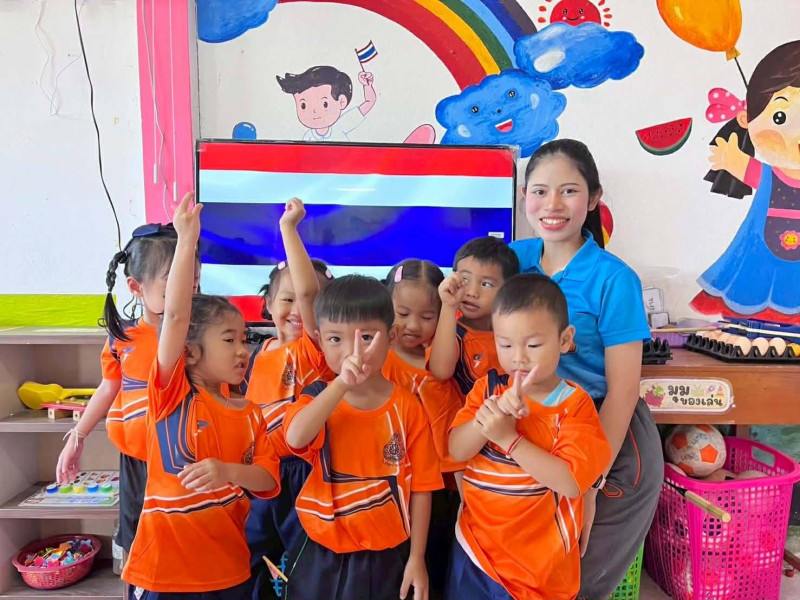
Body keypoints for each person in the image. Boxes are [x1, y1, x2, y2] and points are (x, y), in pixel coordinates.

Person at [509, 139, 662, 599]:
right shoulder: (511, 261)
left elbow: (623, 390)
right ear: (525, 196)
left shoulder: (614, 279)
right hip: (532, 426)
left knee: (573, 578)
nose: (552, 205)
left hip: (604, 432)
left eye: (569, 191)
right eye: (540, 191)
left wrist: (590, 482)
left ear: (593, 198)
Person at [122, 193, 280, 599]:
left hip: (229, 572)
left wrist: (228, 471)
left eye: (245, 339)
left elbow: (266, 478)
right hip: (165, 575)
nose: (243, 350)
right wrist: (186, 241)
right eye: (229, 339)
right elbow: (175, 317)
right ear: (189, 352)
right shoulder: (172, 395)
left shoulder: (251, 413)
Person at [447, 274, 610, 600]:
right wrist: (490, 418)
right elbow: (456, 450)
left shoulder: (574, 406)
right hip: (476, 551)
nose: (518, 357)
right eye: (505, 344)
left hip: (538, 570)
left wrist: (509, 440)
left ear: (565, 339)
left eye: (533, 345)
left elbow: (570, 482)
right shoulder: (487, 390)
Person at [283, 275, 443, 600]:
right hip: (320, 549)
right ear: (319, 340)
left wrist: (417, 557)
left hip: (387, 554)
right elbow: (296, 438)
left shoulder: (408, 407)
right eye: (335, 339)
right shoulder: (317, 397)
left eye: (366, 337)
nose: (351, 351)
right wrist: (341, 385)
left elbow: (422, 488)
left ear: (392, 336)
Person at [56, 223, 196, 567]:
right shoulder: (124, 339)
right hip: (138, 460)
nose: (187, 292)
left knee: (187, 538)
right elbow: (109, 387)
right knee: (140, 539)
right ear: (136, 287)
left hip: (188, 458)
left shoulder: (200, 335)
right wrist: (78, 435)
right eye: (174, 283)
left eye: (193, 283)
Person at [244, 198, 334, 597]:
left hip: (304, 475)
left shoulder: (314, 350)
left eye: (307, 301)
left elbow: (309, 294)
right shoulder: (253, 355)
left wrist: (289, 228)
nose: (298, 309)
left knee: (301, 566)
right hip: (260, 475)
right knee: (254, 560)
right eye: (286, 299)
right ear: (267, 303)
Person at [694, 40, 800, 324]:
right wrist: (730, 158)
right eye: (781, 117)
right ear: (747, 120)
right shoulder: (766, 174)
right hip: (759, 260)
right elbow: (741, 166)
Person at [382, 259, 466, 597]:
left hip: (443, 487)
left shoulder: (441, 355)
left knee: (437, 569)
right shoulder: (380, 357)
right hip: (396, 485)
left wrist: (449, 305)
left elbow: (443, 369)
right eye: (402, 314)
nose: (413, 325)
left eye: (428, 316)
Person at [428, 237, 519, 395]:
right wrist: (449, 305)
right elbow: (440, 372)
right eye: (464, 280)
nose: (472, 292)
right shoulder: (451, 331)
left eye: (486, 284)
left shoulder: (515, 332)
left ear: (508, 290)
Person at [277, 65, 376, 142]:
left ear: (342, 102)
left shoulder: (341, 125)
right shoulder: (308, 137)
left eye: (325, 104)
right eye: (303, 105)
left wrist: (367, 86)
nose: (314, 111)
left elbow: (369, 102)